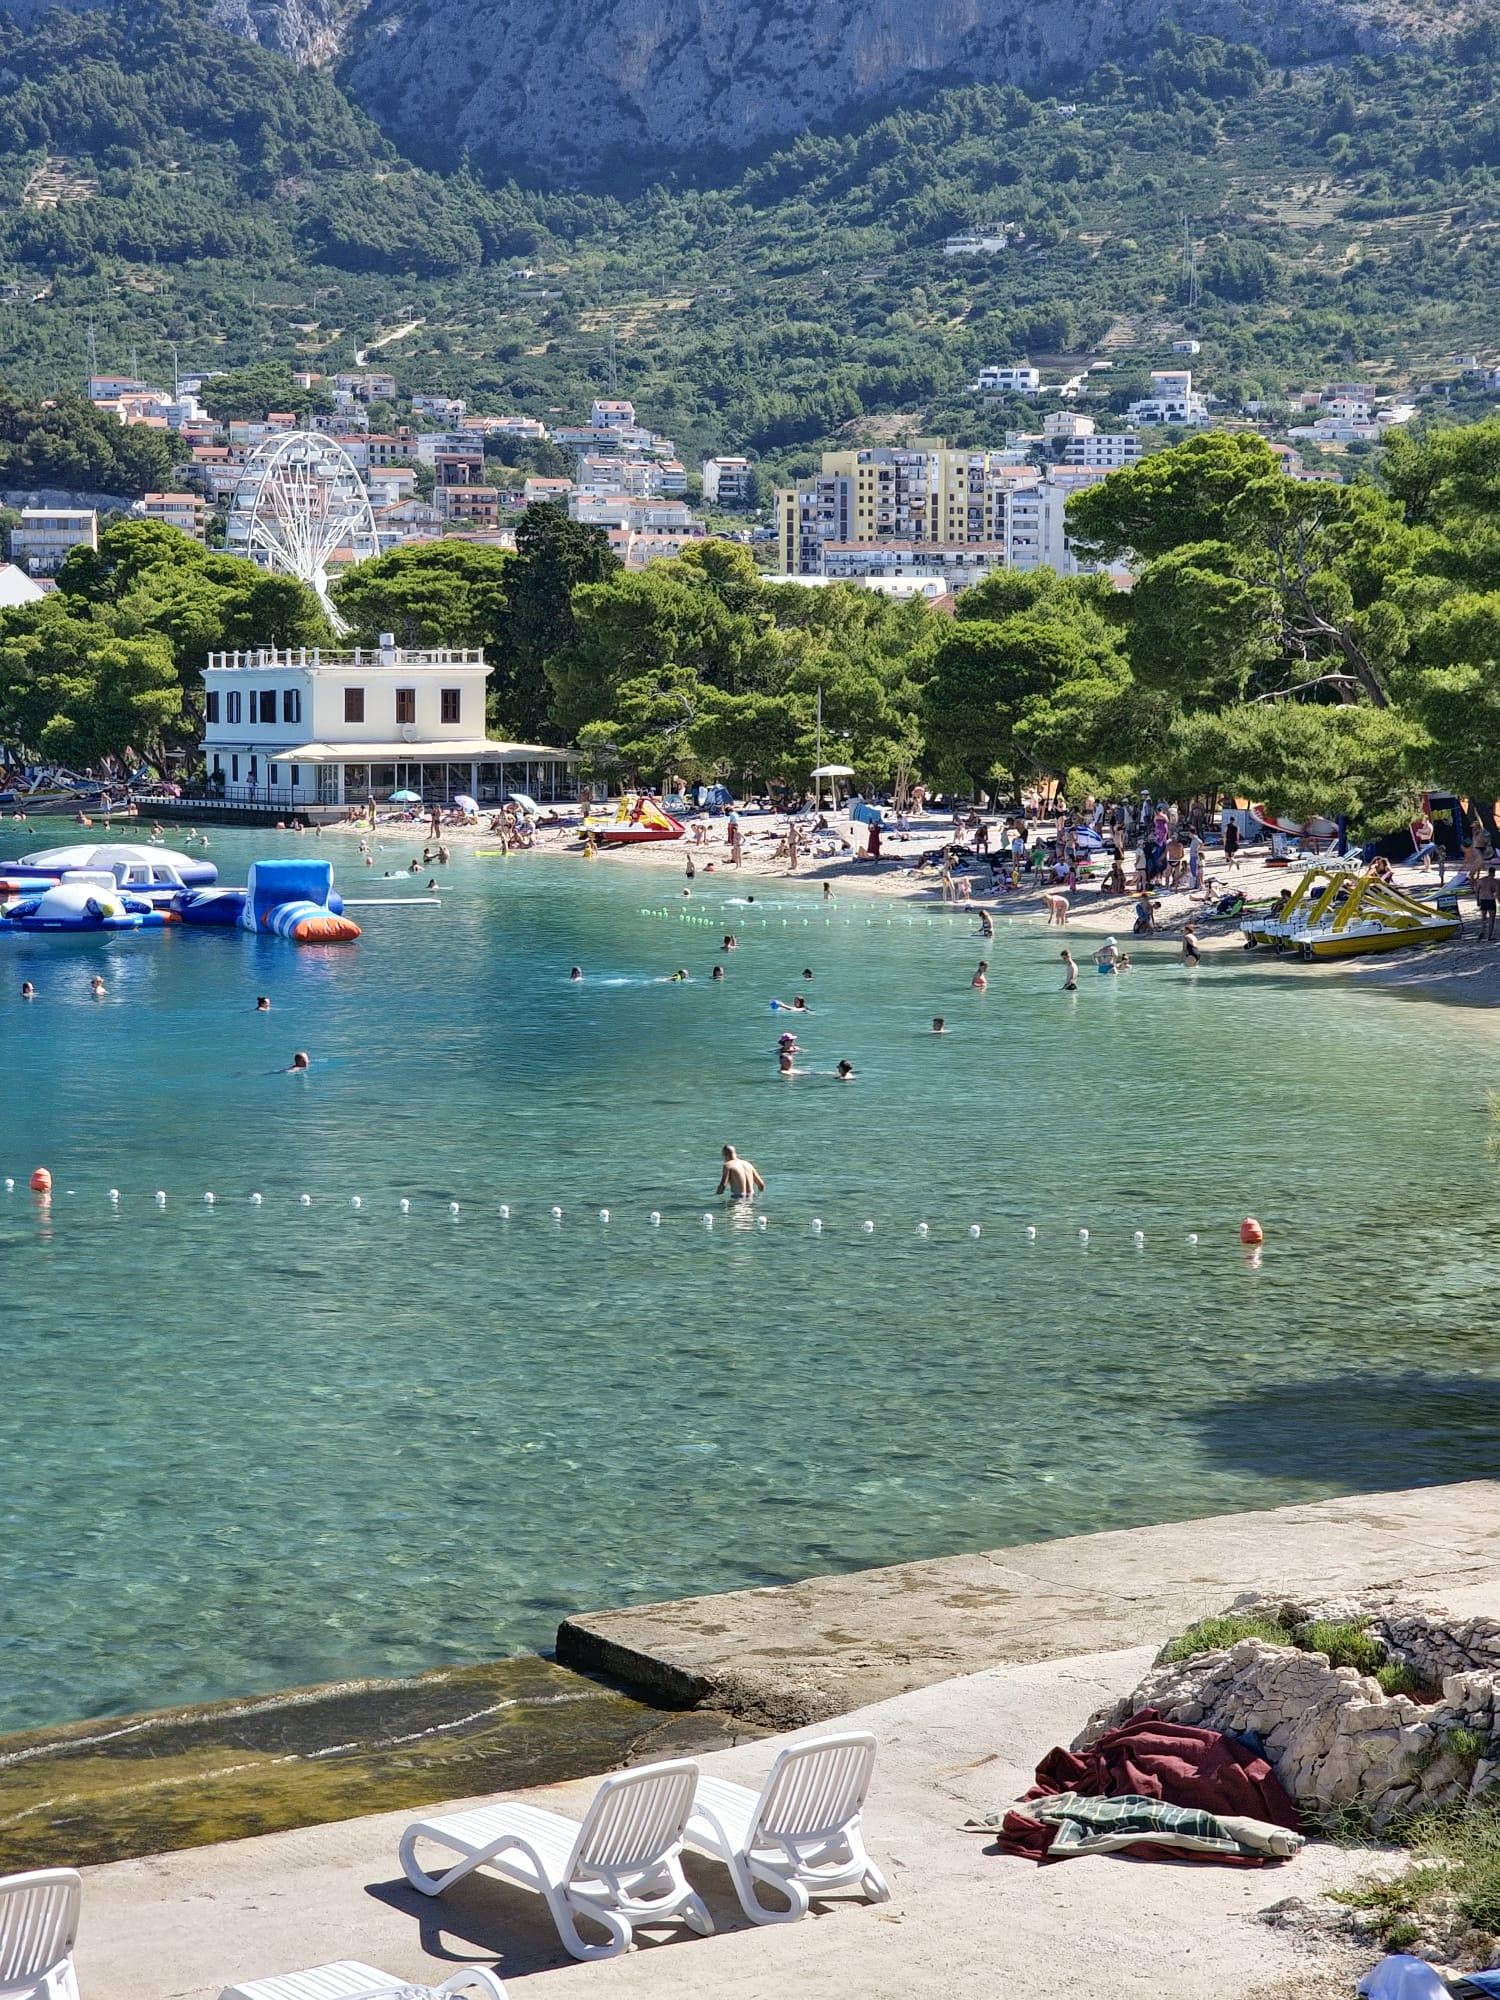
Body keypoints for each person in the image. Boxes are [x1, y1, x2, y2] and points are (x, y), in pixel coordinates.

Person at [1475, 868, 1498, 943]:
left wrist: (1477, 901)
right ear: (1493, 873)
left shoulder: (1481, 880)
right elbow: (1497, 893)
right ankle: (1489, 937)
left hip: (1483, 900)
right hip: (1490, 900)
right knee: (1491, 919)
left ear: (1488, 872)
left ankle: (1482, 930)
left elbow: (1476, 891)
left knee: (1483, 918)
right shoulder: (1494, 881)